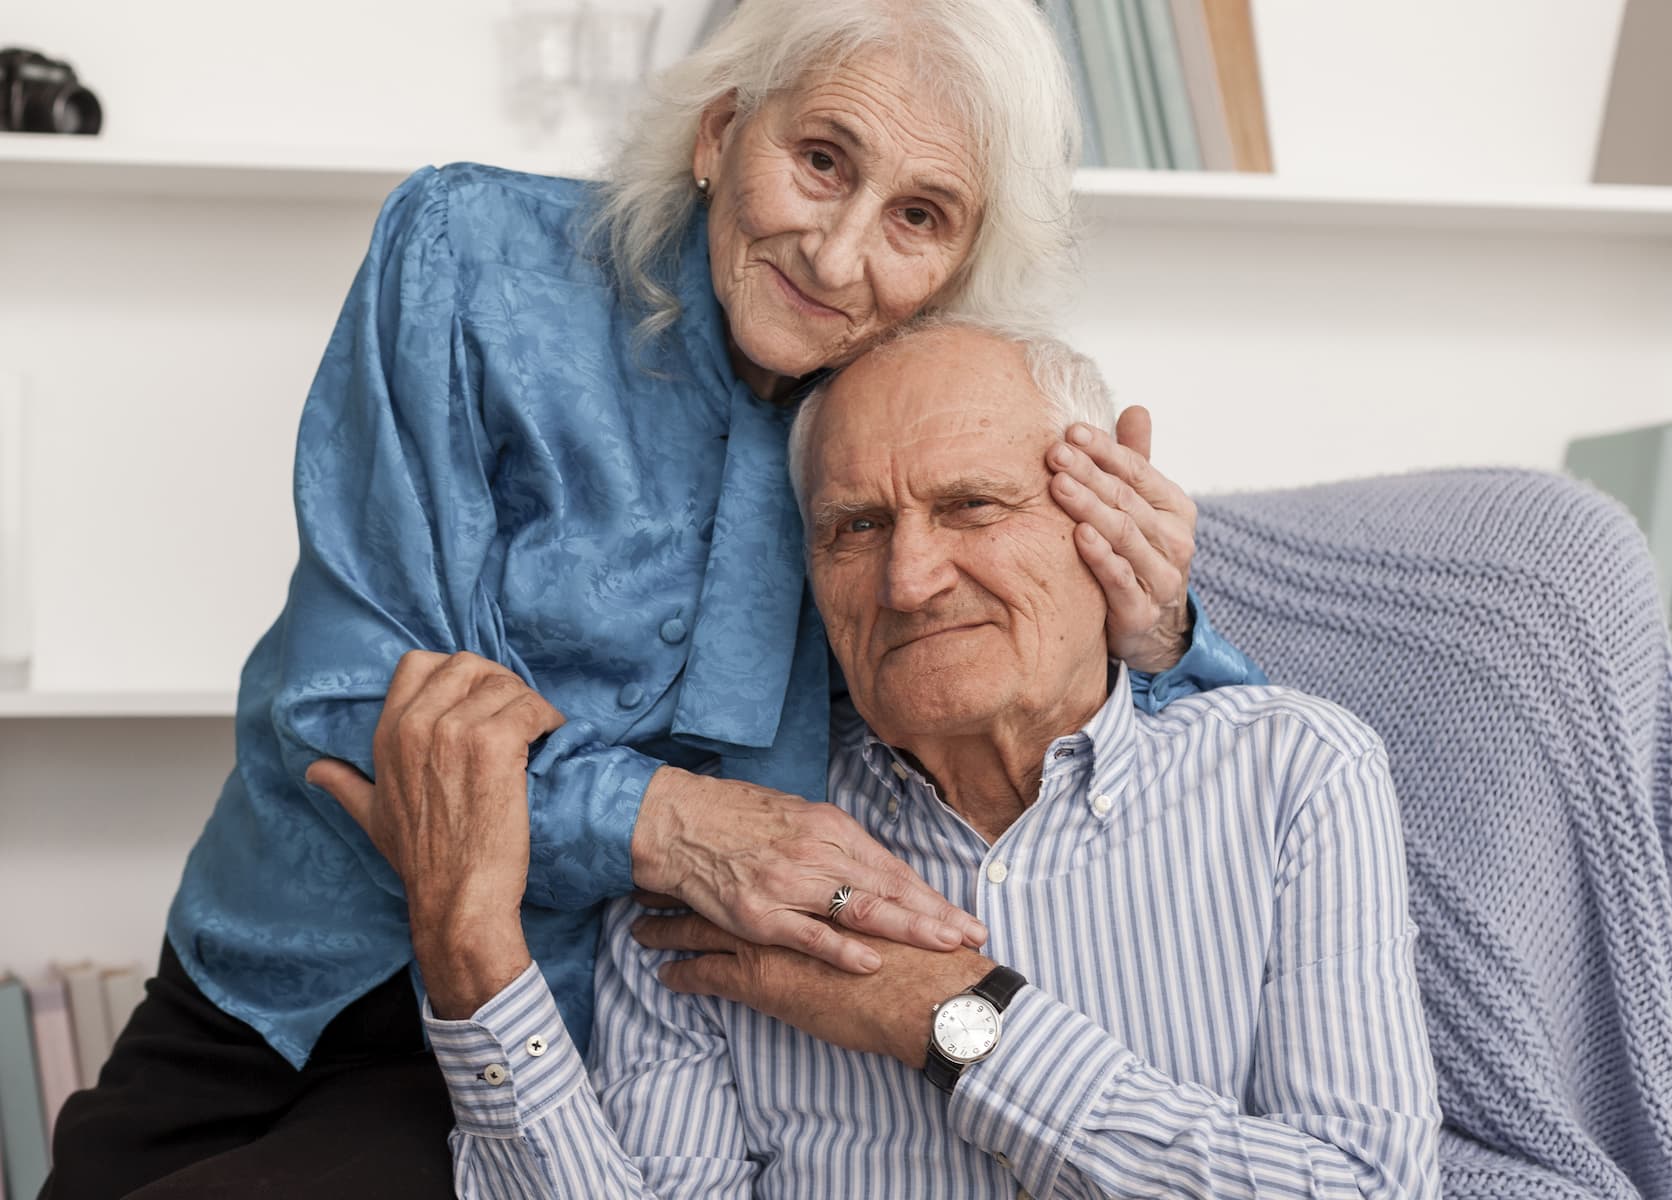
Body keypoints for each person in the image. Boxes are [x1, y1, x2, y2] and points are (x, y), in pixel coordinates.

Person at [42, 2, 1265, 1196]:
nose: (838, 257)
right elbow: (352, 700)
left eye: (919, 217)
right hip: (274, 968)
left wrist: (1155, 634)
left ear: (962, 262)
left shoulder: (908, 448)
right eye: (821, 160)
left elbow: (1128, 743)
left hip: (575, 1050)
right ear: (721, 133)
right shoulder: (469, 255)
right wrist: (673, 824)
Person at [318, 320, 1442, 1197]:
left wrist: (954, 1018)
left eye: (971, 506)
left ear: (1105, 512)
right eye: (855, 527)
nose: (909, 580)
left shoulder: (1295, 774)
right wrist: (472, 960)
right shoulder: (727, 853)